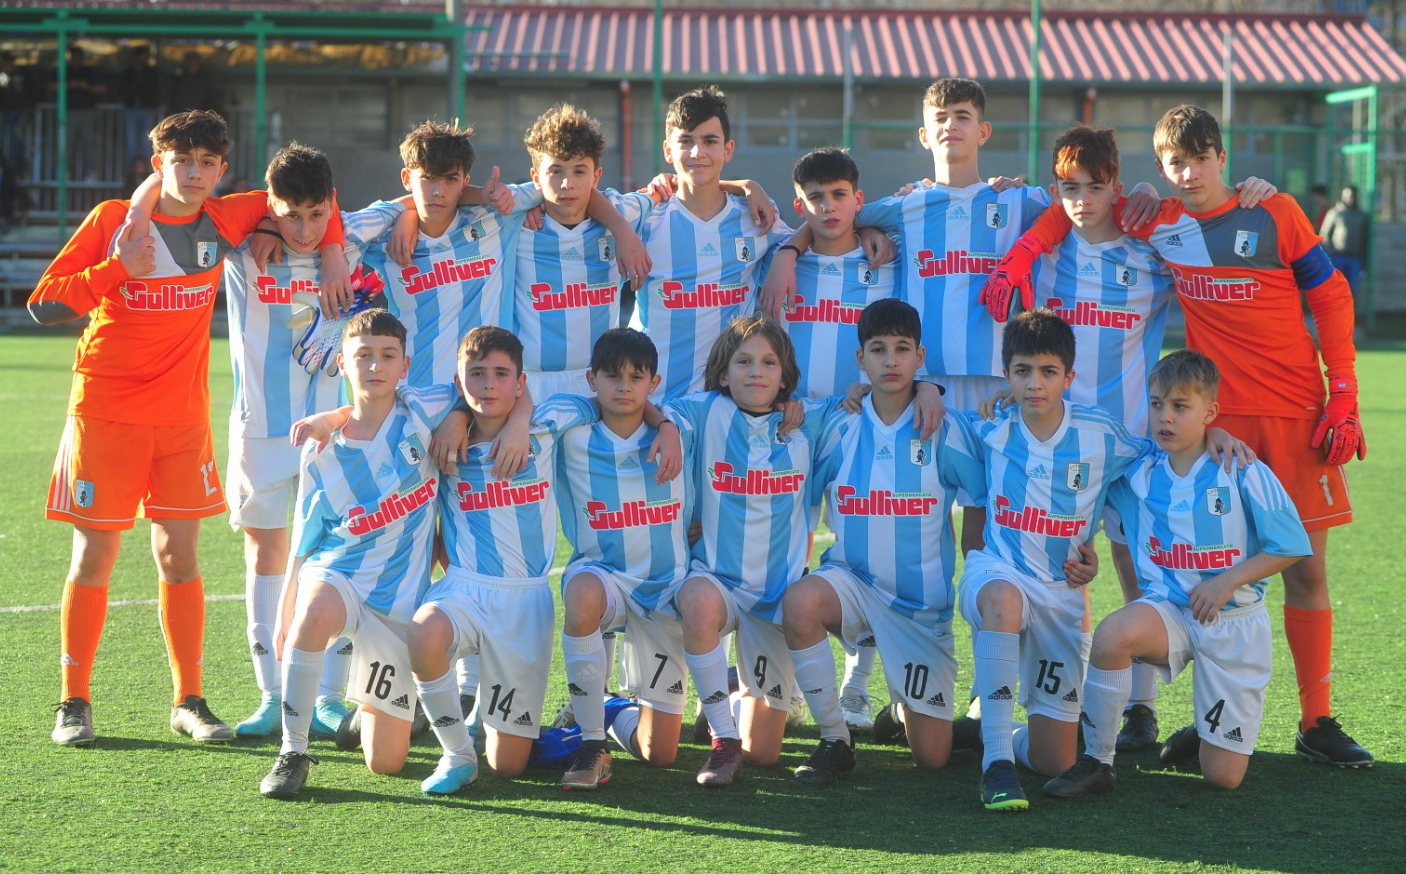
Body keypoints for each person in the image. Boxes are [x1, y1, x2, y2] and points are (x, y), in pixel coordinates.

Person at [988, 104, 1373, 769]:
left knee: (1307, 568)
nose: (1189, 172)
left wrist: (1343, 393)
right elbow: (1076, 205)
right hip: (1212, 422)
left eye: (1199, 158)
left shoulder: (1274, 211)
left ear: (1222, 156)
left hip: (1297, 412)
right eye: (1175, 163)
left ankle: (1316, 721)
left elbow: (1332, 296)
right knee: (1196, 569)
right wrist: (1025, 248)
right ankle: (1202, 716)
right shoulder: (1159, 222)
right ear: (1162, 169)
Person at [30, 110, 346, 748]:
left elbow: (311, 198)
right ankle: (74, 701)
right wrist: (119, 267)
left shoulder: (228, 216)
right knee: (94, 556)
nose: (195, 173)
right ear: (159, 164)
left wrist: (329, 252)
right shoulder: (114, 221)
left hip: (181, 419)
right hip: (106, 412)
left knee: (179, 558)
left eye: (207, 163)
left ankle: (189, 700)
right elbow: (44, 304)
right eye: (181, 161)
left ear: (222, 169)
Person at [1043, 350, 1311, 796]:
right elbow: (1080, 460)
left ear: (1210, 412)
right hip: (1168, 612)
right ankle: (1097, 762)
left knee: (1222, 779)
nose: (1165, 417)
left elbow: (1292, 546)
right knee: (1112, 636)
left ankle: (1204, 733)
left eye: (1180, 406)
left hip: (1233, 624)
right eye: (1156, 404)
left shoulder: (1242, 469)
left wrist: (1227, 580)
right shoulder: (1138, 472)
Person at [222, 143, 406, 738]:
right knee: (265, 557)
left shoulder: (351, 242)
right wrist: (263, 221)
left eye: (317, 215)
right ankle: (272, 696)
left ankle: (327, 697)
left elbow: (419, 199)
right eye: (289, 215)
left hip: (336, 435)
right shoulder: (242, 246)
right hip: (261, 429)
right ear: (269, 206)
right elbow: (193, 205)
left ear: (333, 204)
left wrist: (333, 246)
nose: (303, 230)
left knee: (339, 561)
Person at [258, 311, 461, 800]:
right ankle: (293, 750)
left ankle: (363, 717)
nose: (375, 365)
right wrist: (287, 613)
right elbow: (304, 543)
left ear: (405, 365)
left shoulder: (422, 410)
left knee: (386, 763)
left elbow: (469, 392)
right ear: (343, 365)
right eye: (363, 355)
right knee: (312, 614)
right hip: (341, 575)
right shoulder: (320, 452)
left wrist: (457, 419)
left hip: (398, 606)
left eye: (388, 356)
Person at [781, 299, 985, 784]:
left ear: (920, 356)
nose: (890, 361)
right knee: (801, 602)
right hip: (851, 585)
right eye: (878, 350)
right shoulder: (838, 421)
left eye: (902, 349)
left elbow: (978, 501)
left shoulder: (946, 427)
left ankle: (902, 710)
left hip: (918, 609)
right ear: (861, 358)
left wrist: (976, 576)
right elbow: (774, 414)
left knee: (932, 759)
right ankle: (835, 738)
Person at [406, 326, 606, 794]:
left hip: (525, 602)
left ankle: (492, 721)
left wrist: (522, 418)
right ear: (459, 382)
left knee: (509, 765)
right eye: (477, 374)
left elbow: (601, 404)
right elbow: (376, 400)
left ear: (520, 383)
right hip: (464, 588)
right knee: (423, 633)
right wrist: (458, 413)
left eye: (501, 374)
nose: (489, 385)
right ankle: (457, 753)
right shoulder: (443, 435)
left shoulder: (546, 424)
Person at [660, 315, 849, 787]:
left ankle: (730, 690)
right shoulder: (703, 411)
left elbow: (863, 402)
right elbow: (655, 409)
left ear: (785, 378)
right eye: (743, 362)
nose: (756, 372)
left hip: (776, 598)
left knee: (764, 753)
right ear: (723, 374)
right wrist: (663, 425)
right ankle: (723, 741)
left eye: (768, 363)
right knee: (696, 601)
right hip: (717, 582)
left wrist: (927, 392)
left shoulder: (810, 421)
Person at [776, 147, 901, 732]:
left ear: (858, 199)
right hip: (792, 426)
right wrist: (787, 249)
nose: (828, 208)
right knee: (783, 551)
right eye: (815, 199)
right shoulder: (780, 261)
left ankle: (857, 685)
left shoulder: (889, 261)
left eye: (839, 196)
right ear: (799, 204)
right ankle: (778, 685)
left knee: (863, 553)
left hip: (861, 424)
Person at [552, 328, 691, 789]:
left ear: (654, 382)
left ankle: (608, 707)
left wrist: (666, 424)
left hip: (664, 589)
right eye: (613, 376)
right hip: (604, 577)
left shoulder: (681, 427)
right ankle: (592, 742)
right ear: (592, 379)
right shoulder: (570, 432)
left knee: (660, 754)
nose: (624, 387)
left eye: (636, 377)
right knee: (581, 593)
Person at [629, 86, 792, 401]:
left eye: (709, 141)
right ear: (667, 150)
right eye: (686, 141)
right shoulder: (645, 220)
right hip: (653, 405)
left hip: (726, 405)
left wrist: (788, 255)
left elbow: (812, 235)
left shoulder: (755, 215)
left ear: (728, 150)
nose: (697, 152)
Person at [1320, 185, 1368, 296]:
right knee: (1335, 289)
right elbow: (1325, 234)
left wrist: (1364, 260)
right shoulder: (1335, 213)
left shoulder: (1361, 216)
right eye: (1347, 196)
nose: (1349, 199)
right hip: (1338, 257)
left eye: (1352, 196)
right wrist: (1331, 253)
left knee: (1351, 290)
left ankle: (1350, 308)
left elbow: (1365, 240)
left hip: (1355, 258)